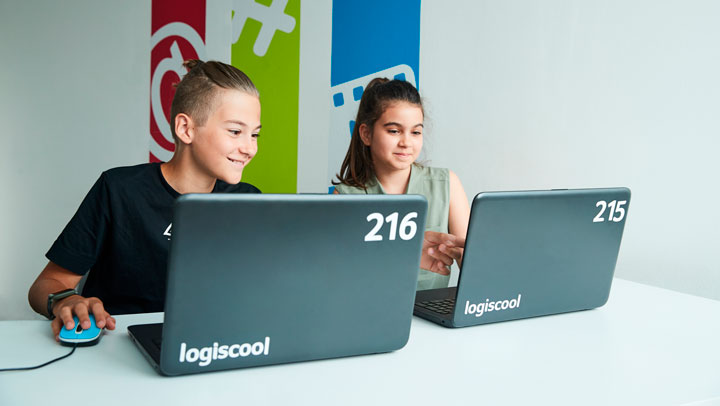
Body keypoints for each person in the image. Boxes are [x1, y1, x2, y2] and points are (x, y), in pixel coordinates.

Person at [28, 60, 262, 340]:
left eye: (255, 134)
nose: (249, 148)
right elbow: (46, 284)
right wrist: (66, 301)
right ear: (186, 129)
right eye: (235, 131)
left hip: (210, 343)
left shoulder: (249, 200)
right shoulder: (119, 189)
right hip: (116, 345)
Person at [333, 78, 470, 290]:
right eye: (394, 131)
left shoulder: (447, 183)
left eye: (415, 132)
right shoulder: (345, 197)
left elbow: (472, 264)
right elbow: (338, 276)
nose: (406, 142)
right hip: (370, 313)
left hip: (432, 317)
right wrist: (406, 256)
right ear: (366, 134)